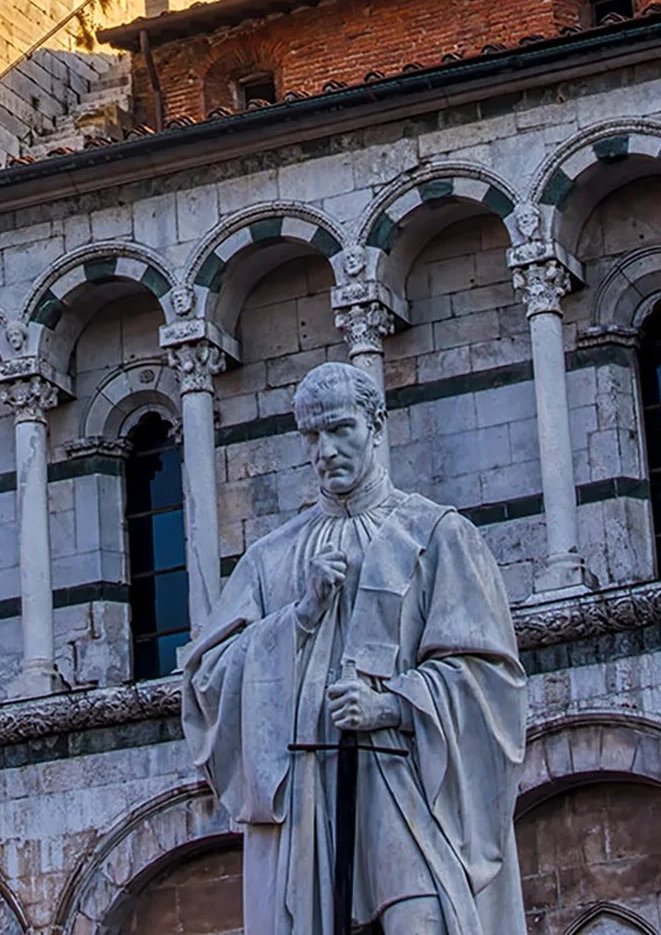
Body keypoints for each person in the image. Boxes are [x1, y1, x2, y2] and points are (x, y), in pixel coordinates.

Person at [181, 361, 527, 935]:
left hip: (409, 787)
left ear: (376, 425)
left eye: (340, 429)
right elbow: (207, 685)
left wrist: (393, 706)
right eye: (312, 436)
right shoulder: (272, 558)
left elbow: (491, 679)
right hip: (310, 797)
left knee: (421, 925)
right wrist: (299, 616)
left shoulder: (436, 534)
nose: (325, 450)